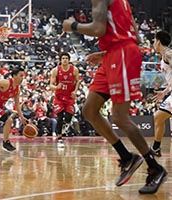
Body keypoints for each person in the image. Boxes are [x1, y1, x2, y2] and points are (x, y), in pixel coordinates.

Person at [62, 0, 167, 194]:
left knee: (119, 116)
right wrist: (107, 52)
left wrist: (73, 25)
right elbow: (133, 33)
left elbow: (98, 28)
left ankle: (154, 168)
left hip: (123, 55)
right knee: (90, 110)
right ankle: (126, 157)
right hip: (114, 53)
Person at [49, 52, 80, 147]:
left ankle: (63, 127)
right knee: (59, 117)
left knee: (68, 118)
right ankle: (59, 138)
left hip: (69, 98)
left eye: (66, 58)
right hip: (59, 98)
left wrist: (75, 91)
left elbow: (78, 80)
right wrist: (57, 87)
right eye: (63, 58)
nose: (65, 60)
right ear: (60, 60)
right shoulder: (56, 70)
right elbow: (51, 86)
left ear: (69, 59)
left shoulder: (74, 70)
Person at [150, 31, 172, 157]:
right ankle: (156, 148)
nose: (153, 43)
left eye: (154, 41)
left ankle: (155, 148)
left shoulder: (168, 53)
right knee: (158, 117)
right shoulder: (165, 55)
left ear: (158, 41)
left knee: (158, 116)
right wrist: (164, 92)